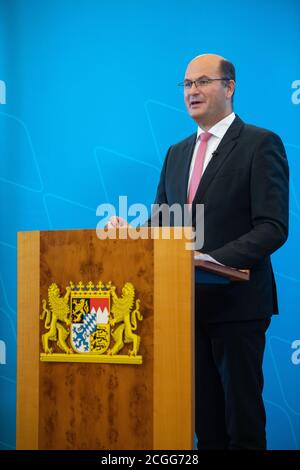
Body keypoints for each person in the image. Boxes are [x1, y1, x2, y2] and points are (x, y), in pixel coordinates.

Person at [108, 54, 289, 450]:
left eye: (203, 82)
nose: (193, 91)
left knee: (241, 423)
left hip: (237, 305)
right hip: (185, 309)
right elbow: (163, 225)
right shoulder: (176, 152)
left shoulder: (261, 144)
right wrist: (131, 234)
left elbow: (272, 227)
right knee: (204, 425)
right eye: (187, 84)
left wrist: (214, 260)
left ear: (230, 86)